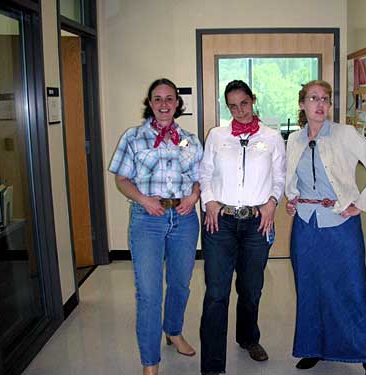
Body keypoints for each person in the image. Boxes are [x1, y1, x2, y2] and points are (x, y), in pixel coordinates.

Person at [285, 80, 366, 375]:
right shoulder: (294, 140)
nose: (320, 104)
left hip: (341, 223)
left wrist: (361, 203)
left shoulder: (345, 134)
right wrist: (291, 197)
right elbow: (290, 175)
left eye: (326, 99)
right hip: (306, 225)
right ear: (302, 104)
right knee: (309, 289)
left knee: (352, 288)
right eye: (313, 98)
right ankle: (313, 348)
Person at [109, 78, 203, 375]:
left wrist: (195, 194)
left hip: (185, 219)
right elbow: (121, 178)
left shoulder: (190, 139)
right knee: (148, 293)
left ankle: (173, 331)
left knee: (180, 284)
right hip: (147, 219)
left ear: (177, 103)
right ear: (149, 103)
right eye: (157, 99)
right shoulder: (133, 138)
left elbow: (201, 176)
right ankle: (150, 361)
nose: (164, 104)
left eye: (169, 99)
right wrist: (143, 199)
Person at [199, 80, 286, 375]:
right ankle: (212, 365)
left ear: (253, 100)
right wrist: (209, 201)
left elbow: (279, 177)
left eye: (244, 104)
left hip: (256, 224)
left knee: (251, 289)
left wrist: (273, 202)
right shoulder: (217, 135)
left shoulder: (272, 137)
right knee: (216, 292)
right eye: (233, 106)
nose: (239, 111)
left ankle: (248, 338)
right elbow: (205, 172)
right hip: (219, 221)